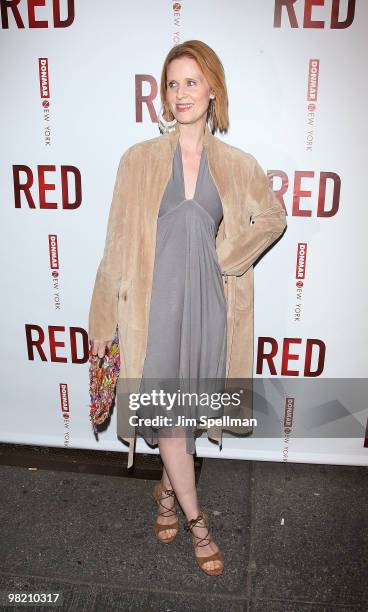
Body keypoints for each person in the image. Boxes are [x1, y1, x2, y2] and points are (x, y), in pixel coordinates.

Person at [89, 40, 287, 577]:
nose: (181, 94)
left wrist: (228, 255)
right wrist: (101, 321)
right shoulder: (139, 161)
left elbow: (273, 216)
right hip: (152, 312)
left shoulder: (236, 164)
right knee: (172, 424)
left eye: (191, 82)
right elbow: (115, 246)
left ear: (213, 89)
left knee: (188, 416)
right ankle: (200, 524)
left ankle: (168, 492)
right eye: (172, 83)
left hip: (209, 310)